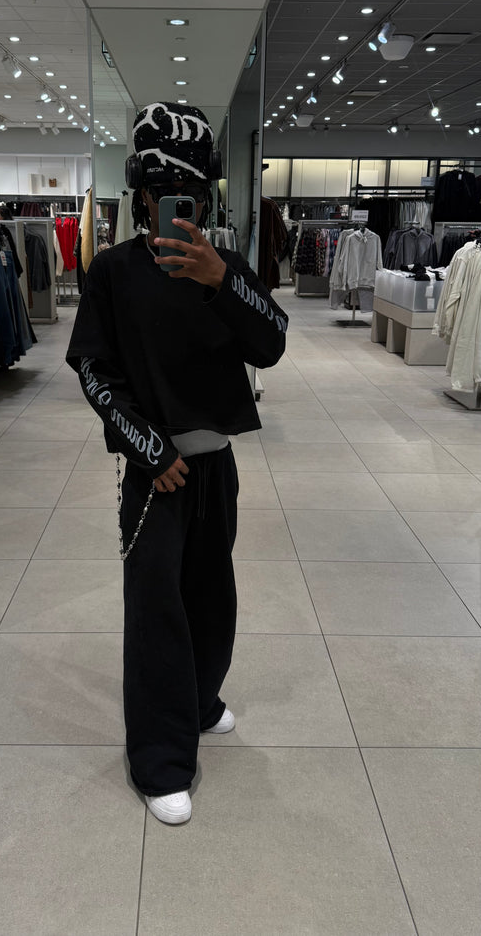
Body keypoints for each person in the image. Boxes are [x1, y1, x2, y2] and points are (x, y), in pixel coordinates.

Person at [66, 101, 288, 825]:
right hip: (153, 471)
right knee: (156, 609)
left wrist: (222, 280)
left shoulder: (223, 266)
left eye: (192, 193)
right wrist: (147, 447)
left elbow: (272, 342)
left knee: (212, 593)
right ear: (143, 195)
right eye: (166, 194)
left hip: (216, 466)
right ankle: (160, 758)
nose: (178, 206)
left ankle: (199, 699)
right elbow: (93, 367)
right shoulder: (113, 271)